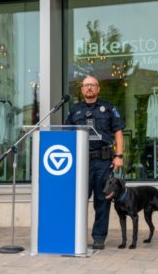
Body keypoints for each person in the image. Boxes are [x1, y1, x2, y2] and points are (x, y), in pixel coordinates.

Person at [65, 75, 125, 250]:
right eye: (86, 85)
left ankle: (99, 237)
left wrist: (119, 156)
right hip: (81, 161)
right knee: (78, 199)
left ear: (98, 88)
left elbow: (118, 133)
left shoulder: (108, 108)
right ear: (82, 89)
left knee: (102, 200)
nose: (89, 88)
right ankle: (75, 235)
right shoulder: (74, 110)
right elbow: (67, 135)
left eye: (92, 85)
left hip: (103, 161)